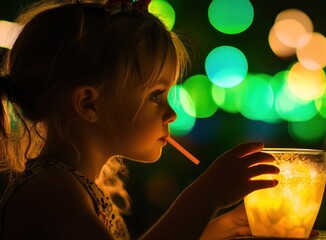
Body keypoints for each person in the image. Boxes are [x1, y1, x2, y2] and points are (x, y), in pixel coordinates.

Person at [0, 0, 281, 239]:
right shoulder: (53, 192)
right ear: (88, 103)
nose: (172, 113)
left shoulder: (69, 183)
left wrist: (217, 229)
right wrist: (207, 196)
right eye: (156, 95)